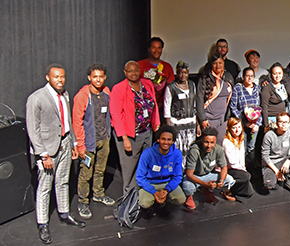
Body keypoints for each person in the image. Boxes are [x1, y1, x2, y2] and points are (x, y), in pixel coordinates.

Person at [27, 64, 85, 244]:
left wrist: (74, 143)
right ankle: (43, 224)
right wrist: (43, 155)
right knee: (45, 187)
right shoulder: (36, 98)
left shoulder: (65, 95)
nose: (60, 80)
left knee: (63, 181)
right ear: (48, 78)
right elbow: (32, 130)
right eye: (56, 77)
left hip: (66, 143)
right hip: (47, 149)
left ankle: (64, 213)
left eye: (62, 77)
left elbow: (67, 121)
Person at [72, 63, 115, 220]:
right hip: (89, 142)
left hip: (104, 139)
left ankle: (98, 194)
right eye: (95, 77)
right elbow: (77, 122)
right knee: (86, 173)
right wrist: (80, 145)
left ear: (104, 77)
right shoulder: (82, 96)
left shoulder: (106, 92)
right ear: (89, 77)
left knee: (100, 169)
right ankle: (83, 202)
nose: (98, 80)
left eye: (101, 76)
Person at [110, 61, 160, 194]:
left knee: (145, 166)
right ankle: (129, 200)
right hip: (130, 136)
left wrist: (156, 122)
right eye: (130, 71)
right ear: (125, 72)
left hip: (146, 132)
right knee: (129, 169)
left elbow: (153, 103)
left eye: (136, 70)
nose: (133, 73)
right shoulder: (119, 88)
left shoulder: (147, 84)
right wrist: (124, 138)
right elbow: (116, 114)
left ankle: (142, 195)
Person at [183, 127, 237, 209]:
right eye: (206, 142)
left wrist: (221, 181)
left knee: (229, 180)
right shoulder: (194, 150)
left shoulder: (218, 149)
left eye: (212, 142)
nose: (209, 145)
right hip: (195, 176)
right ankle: (190, 196)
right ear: (202, 140)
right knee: (187, 186)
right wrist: (205, 184)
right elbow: (189, 174)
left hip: (208, 175)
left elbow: (224, 167)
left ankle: (208, 190)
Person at [135, 126, 185, 214]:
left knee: (181, 199)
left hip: (167, 183)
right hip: (151, 183)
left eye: (169, 140)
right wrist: (154, 192)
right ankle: (153, 204)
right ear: (158, 140)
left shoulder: (177, 154)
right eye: (163, 139)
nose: (166, 142)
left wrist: (166, 190)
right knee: (145, 203)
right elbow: (140, 177)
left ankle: (165, 201)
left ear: (173, 141)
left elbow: (178, 176)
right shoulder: (148, 153)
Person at [261, 112, 290, 194]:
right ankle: (274, 177)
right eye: (281, 122)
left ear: (289, 123)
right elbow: (265, 156)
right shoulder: (269, 135)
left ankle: (289, 180)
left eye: (286, 122)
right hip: (271, 164)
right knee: (269, 185)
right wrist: (276, 171)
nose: (284, 125)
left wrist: (289, 160)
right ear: (277, 123)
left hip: (284, 161)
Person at [164, 61, 197, 167]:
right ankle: (178, 171)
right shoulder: (171, 87)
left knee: (190, 148)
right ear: (177, 73)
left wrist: (197, 123)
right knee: (178, 148)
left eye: (185, 73)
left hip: (191, 122)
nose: (183, 75)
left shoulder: (192, 85)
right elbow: (167, 105)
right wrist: (169, 125)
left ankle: (189, 170)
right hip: (177, 123)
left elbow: (194, 104)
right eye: (180, 73)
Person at [196, 52, 233, 144]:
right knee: (208, 145)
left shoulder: (228, 77)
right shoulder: (205, 78)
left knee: (220, 144)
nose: (218, 66)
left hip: (222, 119)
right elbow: (199, 99)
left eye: (220, 63)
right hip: (208, 119)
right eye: (214, 63)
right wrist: (202, 119)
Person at [138, 37, 175, 120]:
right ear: (149, 49)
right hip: (144, 107)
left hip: (162, 109)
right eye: (154, 47)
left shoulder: (167, 67)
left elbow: (171, 88)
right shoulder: (140, 65)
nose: (156, 50)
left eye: (159, 48)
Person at [230, 67, 262, 157]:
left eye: (252, 76)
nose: (249, 78)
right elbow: (233, 106)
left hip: (255, 124)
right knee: (242, 148)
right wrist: (245, 122)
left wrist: (257, 124)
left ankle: (251, 168)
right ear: (243, 76)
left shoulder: (257, 88)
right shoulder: (238, 88)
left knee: (252, 148)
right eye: (247, 76)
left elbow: (260, 107)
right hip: (242, 124)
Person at [222, 117, 254, 197]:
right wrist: (242, 169)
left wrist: (243, 167)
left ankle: (236, 189)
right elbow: (231, 162)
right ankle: (227, 188)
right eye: (234, 127)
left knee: (248, 188)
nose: (237, 130)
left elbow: (241, 156)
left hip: (237, 167)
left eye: (239, 127)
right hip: (228, 169)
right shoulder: (227, 142)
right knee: (245, 176)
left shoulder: (241, 139)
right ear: (229, 128)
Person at [261, 63, 287, 130]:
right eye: (275, 74)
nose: (277, 76)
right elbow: (264, 107)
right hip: (271, 120)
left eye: (279, 73)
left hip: (282, 119)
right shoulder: (267, 88)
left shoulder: (283, 86)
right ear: (271, 75)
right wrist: (266, 125)